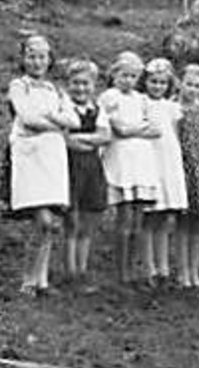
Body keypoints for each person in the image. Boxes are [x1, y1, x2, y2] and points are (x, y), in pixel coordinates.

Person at [7, 34, 79, 295]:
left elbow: (74, 121)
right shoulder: (19, 86)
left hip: (53, 159)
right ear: (23, 58)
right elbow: (26, 117)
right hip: (29, 157)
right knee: (43, 220)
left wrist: (52, 119)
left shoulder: (56, 90)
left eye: (42, 56)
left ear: (50, 60)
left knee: (51, 223)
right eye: (31, 56)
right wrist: (55, 124)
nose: (37, 62)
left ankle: (42, 280)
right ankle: (28, 279)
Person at [99, 51, 158, 286]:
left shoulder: (140, 99)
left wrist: (132, 129)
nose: (128, 81)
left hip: (141, 162)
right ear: (114, 75)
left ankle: (134, 268)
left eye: (133, 76)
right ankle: (121, 271)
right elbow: (119, 129)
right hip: (121, 160)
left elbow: (155, 129)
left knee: (138, 219)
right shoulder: (109, 97)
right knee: (124, 218)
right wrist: (137, 129)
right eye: (124, 75)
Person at [61, 58, 109, 290]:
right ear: (68, 84)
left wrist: (82, 139)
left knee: (89, 218)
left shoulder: (97, 109)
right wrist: (83, 141)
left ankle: (83, 268)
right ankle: (70, 271)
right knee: (72, 218)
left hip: (92, 167)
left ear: (94, 86)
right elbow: (66, 140)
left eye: (85, 84)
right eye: (76, 83)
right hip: (70, 166)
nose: (81, 88)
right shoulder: (65, 107)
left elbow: (105, 136)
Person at [141, 58, 189, 289]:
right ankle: (149, 266)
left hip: (168, 160)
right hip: (150, 160)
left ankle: (163, 267)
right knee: (149, 216)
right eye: (153, 81)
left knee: (164, 218)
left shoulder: (173, 107)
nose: (157, 86)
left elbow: (176, 135)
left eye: (162, 83)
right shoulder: (142, 103)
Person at [174, 63, 199, 289]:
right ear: (180, 83)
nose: (192, 89)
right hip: (180, 165)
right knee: (182, 222)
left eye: (197, 85)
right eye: (188, 84)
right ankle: (182, 272)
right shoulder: (174, 108)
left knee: (196, 222)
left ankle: (194, 271)